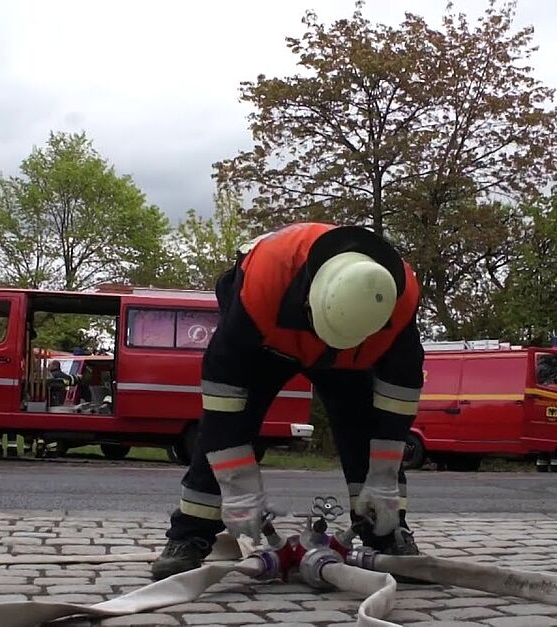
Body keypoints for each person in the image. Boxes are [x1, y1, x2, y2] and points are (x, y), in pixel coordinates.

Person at [150, 222, 425, 580]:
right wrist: (238, 488)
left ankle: (387, 533)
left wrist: (384, 478)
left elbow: (398, 400)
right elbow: (222, 401)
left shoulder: (398, 300)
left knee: (365, 434)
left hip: (350, 358)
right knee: (228, 430)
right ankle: (188, 536)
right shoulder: (265, 281)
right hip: (266, 346)